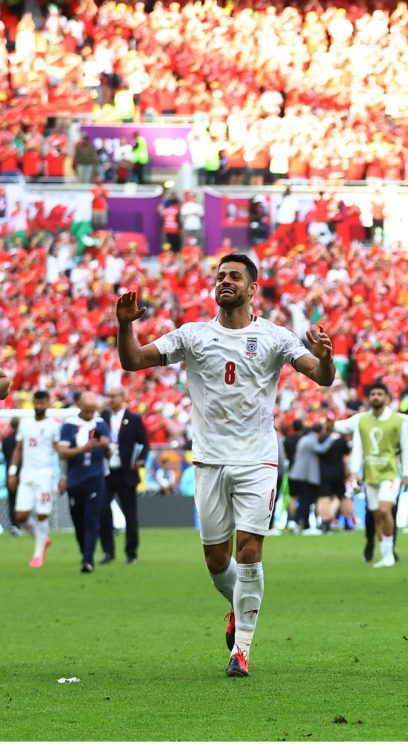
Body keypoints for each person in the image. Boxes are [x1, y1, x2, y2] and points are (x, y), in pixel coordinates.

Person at [115, 252, 335, 677]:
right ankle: (238, 608)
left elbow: (321, 378)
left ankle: (242, 651)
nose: (225, 281)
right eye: (220, 276)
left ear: (253, 288)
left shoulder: (274, 336)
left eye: (235, 276)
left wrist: (324, 357)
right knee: (217, 562)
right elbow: (132, 361)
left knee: (249, 551)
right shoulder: (193, 335)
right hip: (210, 460)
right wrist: (125, 325)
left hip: (257, 459)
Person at [334, 383, 408, 567]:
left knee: (384, 510)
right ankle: (385, 553)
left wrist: (406, 473)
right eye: (372, 394)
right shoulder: (361, 421)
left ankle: (388, 554)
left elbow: (405, 448)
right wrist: (355, 471)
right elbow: (358, 448)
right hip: (370, 475)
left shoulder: (398, 420)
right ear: (368, 398)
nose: (375, 397)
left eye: (379, 394)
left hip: (390, 474)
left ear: (387, 398)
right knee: (376, 516)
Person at [57, 392, 112, 574]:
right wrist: (84, 448)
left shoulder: (100, 424)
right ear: (79, 406)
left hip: (95, 477)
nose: (90, 414)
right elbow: (62, 453)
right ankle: (85, 551)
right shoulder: (69, 426)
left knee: (91, 518)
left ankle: (88, 559)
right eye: (87, 410)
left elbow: (109, 454)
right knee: (78, 520)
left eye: (92, 410)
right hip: (75, 479)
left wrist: (105, 446)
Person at [8, 391, 59, 567]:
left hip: (44, 475)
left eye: (43, 402)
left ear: (48, 403)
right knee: (21, 516)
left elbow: (59, 451)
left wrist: (62, 475)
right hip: (26, 475)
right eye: (37, 402)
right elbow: (18, 449)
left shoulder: (53, 426)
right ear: (33, 403)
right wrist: (12, 472)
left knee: (42, 514)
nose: (39, 406)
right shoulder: (25, 424)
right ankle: (42, 538)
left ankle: (38, 555)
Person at [100, 386, 148, 565]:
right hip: (106, 472)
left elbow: (144, 443)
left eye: (113, 396)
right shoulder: (102, 418)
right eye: (108, 396)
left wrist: (140, 459)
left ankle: (131, 553)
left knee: (130, 513)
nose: (110, 399)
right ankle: (108, 551)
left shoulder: (134, 419)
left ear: (122, 397)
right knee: (103, 511)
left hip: (127, 472)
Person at [292, 420, 338, 536]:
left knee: (303, 500)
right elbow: (321, 449)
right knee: (306, 501)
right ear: (321, 431)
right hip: (305, 475)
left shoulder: (305, 438)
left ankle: (297, 522)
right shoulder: (311, 440)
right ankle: (304, 525)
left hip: (299, 474)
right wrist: (332, 439)